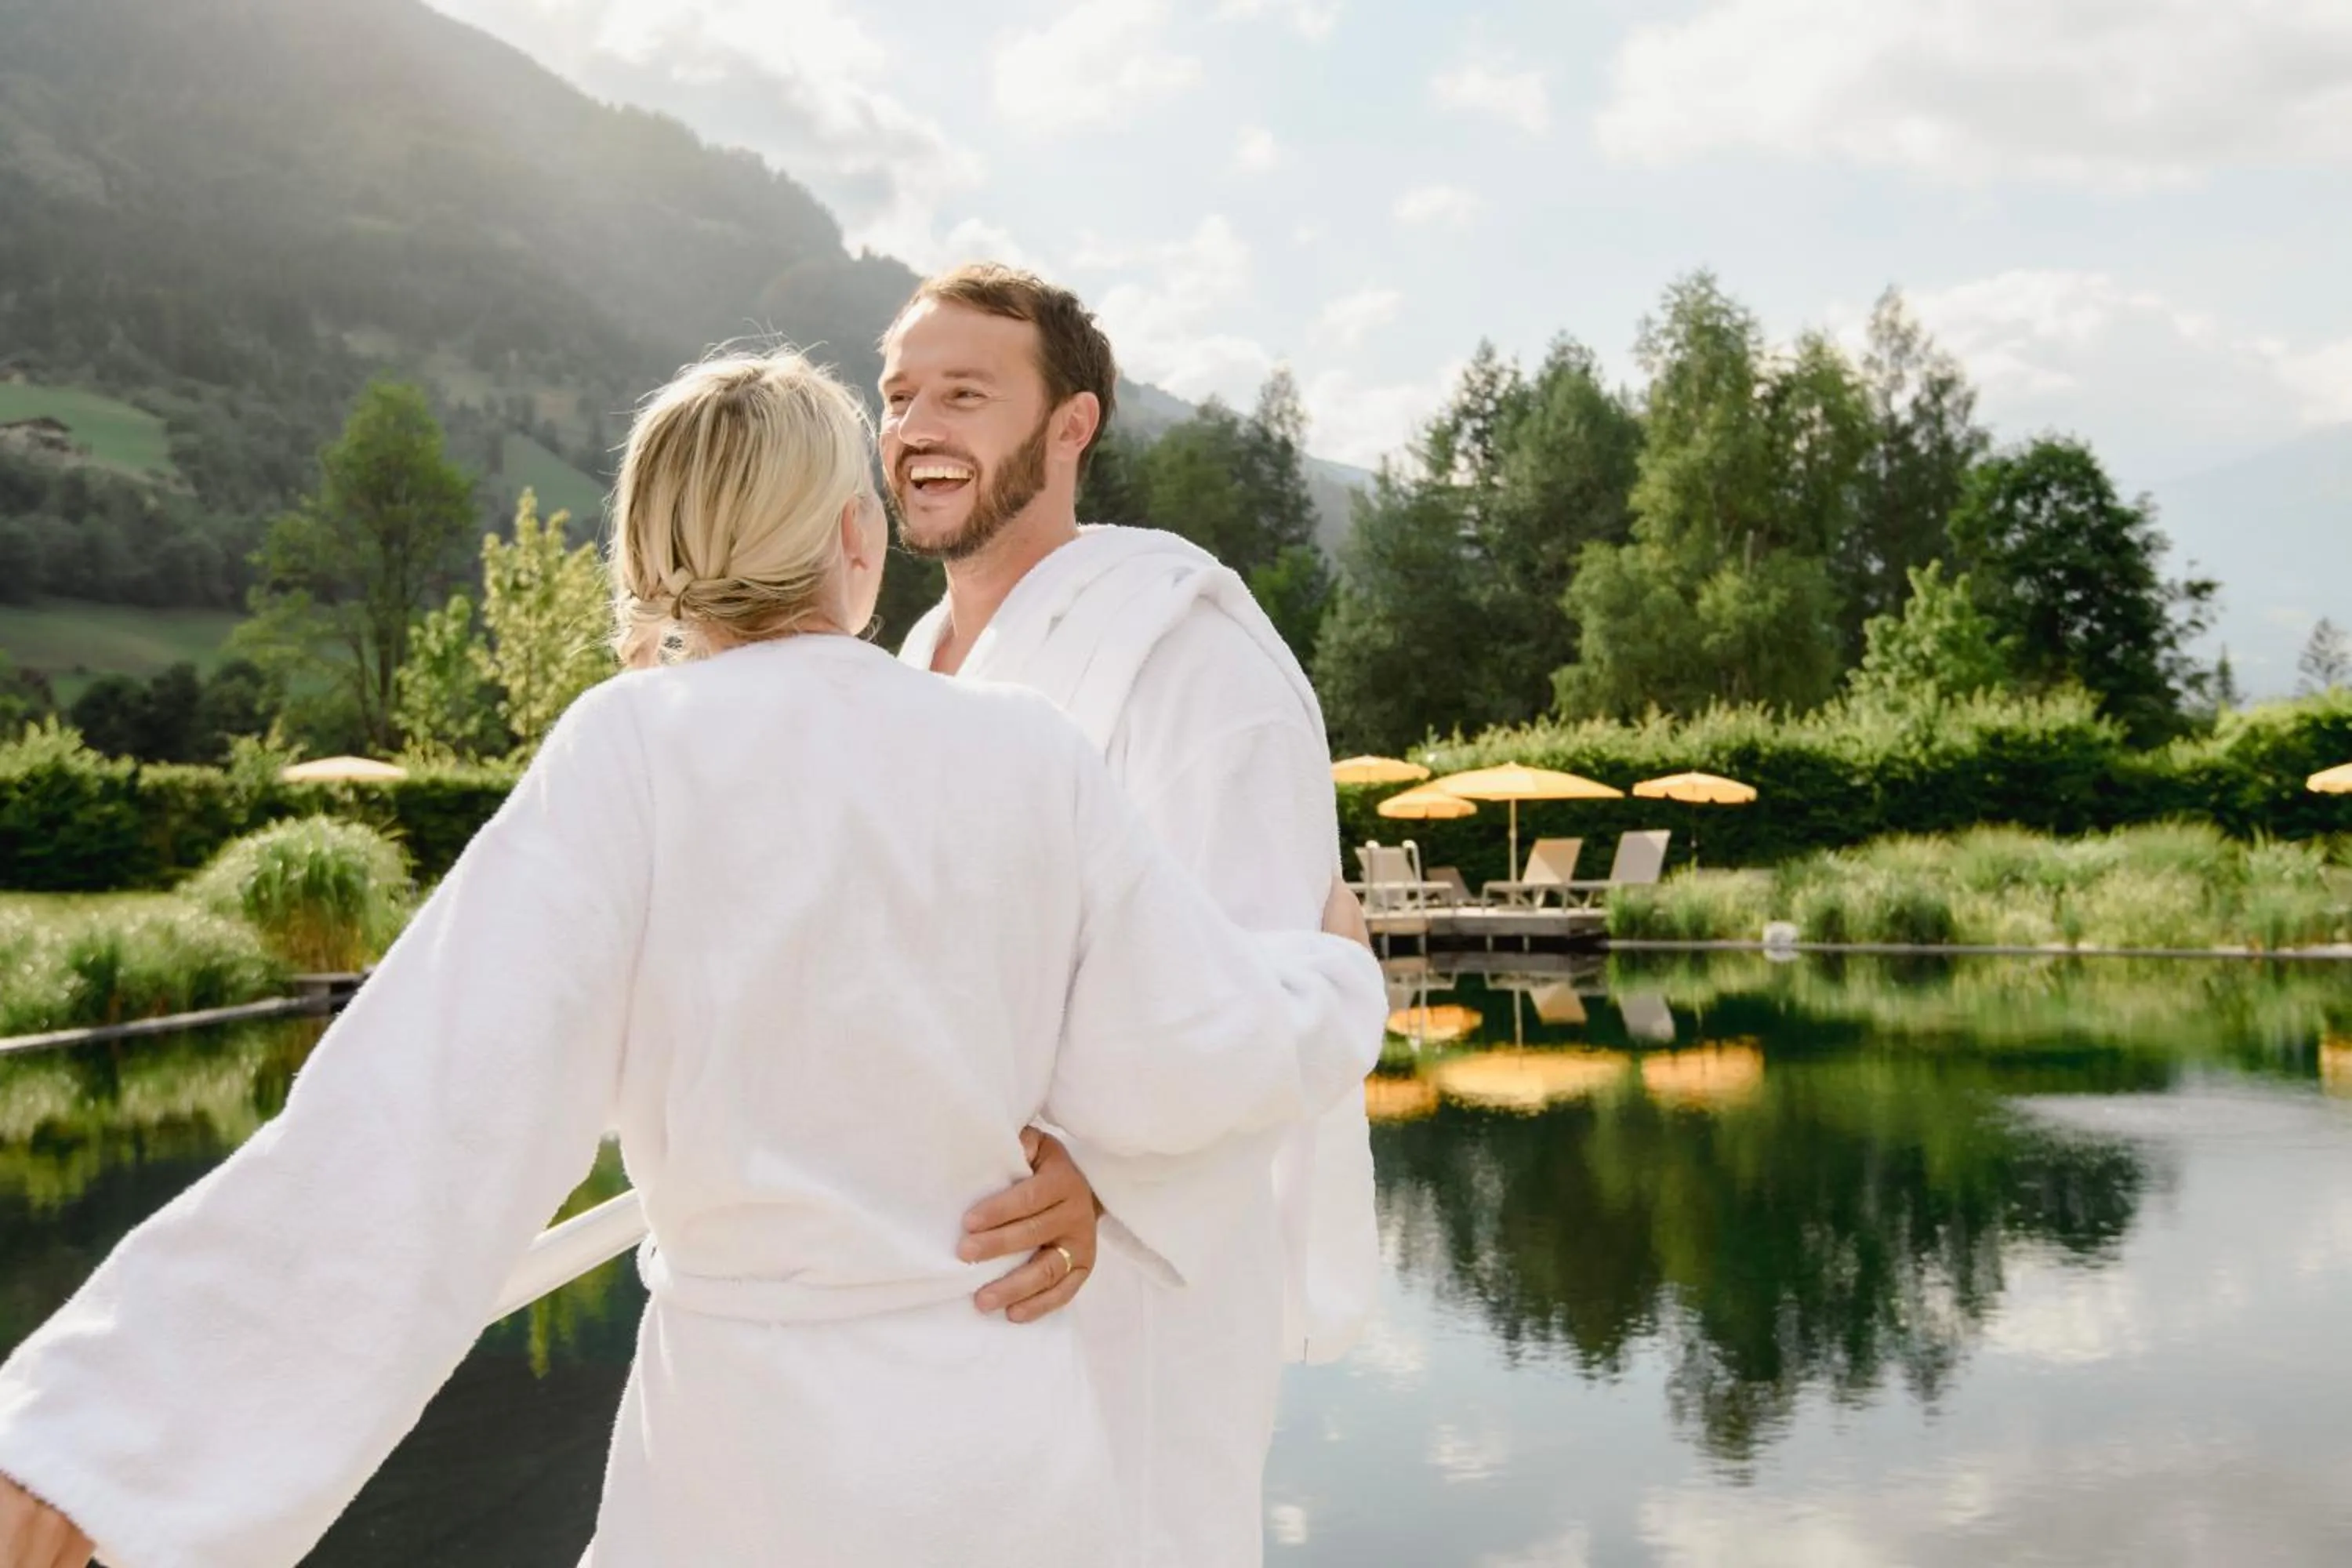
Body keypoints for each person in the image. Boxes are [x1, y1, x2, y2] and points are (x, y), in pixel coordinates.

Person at [0, 350, 1387, 1568]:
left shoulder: (634, 750)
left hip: (749, 1461)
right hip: (1001, 1452)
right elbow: (1198, 1051)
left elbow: (417, 1128)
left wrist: (94, 1444)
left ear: (652, 554)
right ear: (859, 541)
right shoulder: (1028, 751)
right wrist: (1331, 978)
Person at [884, 265, 1382, 1567]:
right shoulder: (905, 670)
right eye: (898, 397)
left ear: (1070, 428)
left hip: (1130, 1277)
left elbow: (1263, 980)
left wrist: (1105, 1174)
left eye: (965, 394)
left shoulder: (1193, 657)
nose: (918, 426)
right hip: (929, 1285)